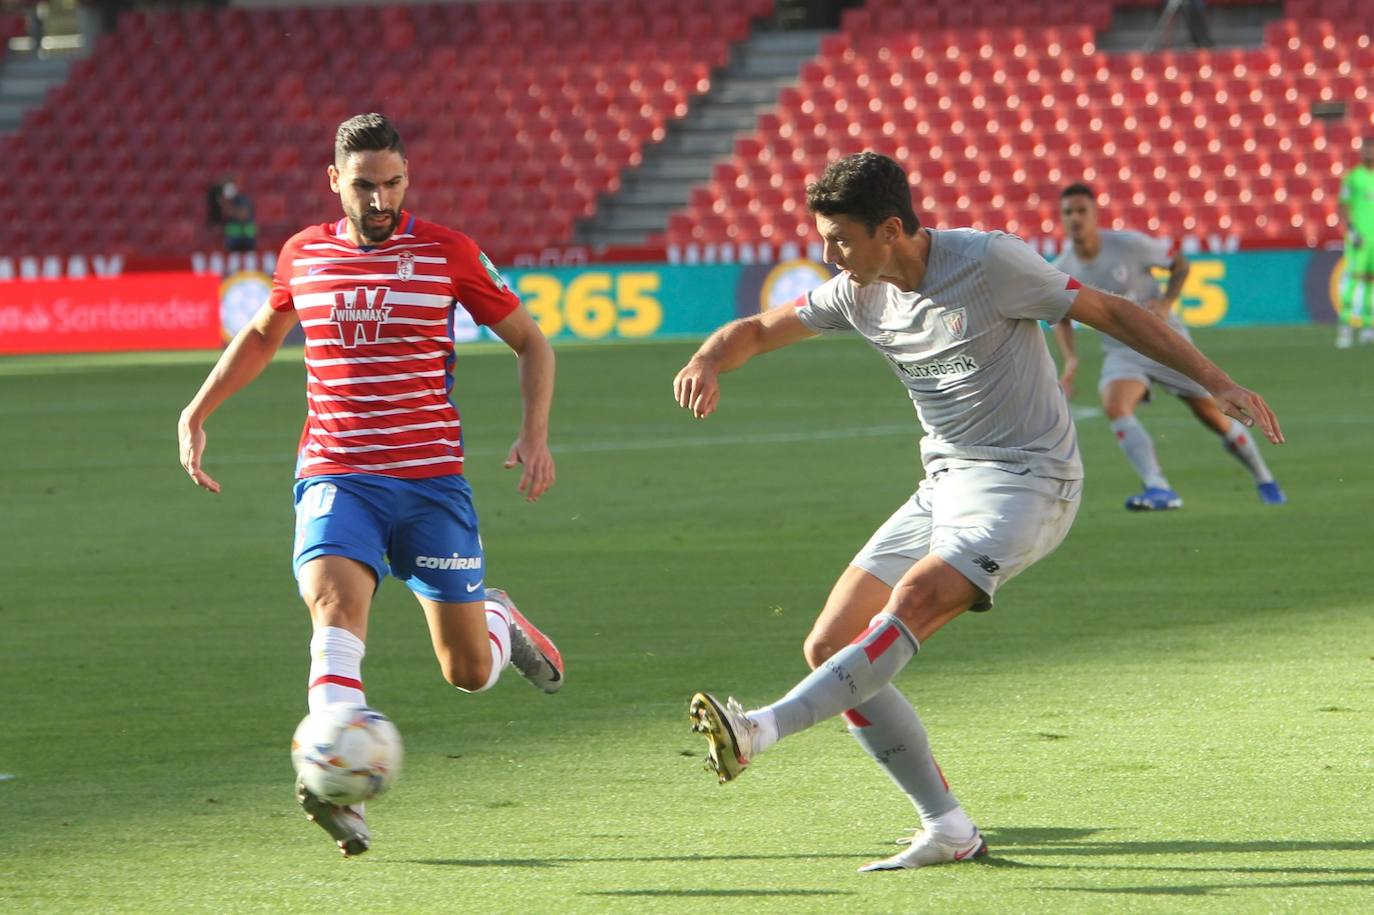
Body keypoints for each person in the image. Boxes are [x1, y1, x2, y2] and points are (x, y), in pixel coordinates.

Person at [673, 152, 1282, 873]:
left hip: (1032, 479)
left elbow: (1111, 311)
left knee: (914, 600)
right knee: (829, 645)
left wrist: (1215, 382)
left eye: (839, 238)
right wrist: (708, 360)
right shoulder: (857, 291)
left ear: (891, 229)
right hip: (945, 482)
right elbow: (760, 328)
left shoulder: (990, 263)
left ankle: (760, 730)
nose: (826, 254)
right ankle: (949, 828)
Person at [177, 113, 562, 858]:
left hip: (430, 484)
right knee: (333, 607)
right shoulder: (302, 256)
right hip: (337, 473)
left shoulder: (449, 253)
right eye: (364, 185)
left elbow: (530, 341)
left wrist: (534, 433)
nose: (379, 199)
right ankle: (335, 788)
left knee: (468, 671)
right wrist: (199, 408)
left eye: (391, 183)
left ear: (406, 179)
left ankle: (499, 620)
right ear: (334, 182)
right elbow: (262, 335)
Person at [1052, 183, 1285, 509]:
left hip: (1165, 341)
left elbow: (1180, 263)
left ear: (1094, 214)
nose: (1075, 218)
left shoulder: (1129, 245)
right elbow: (1060, 316)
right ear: (1061, 219)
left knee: (1212, 415)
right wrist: (1071, 362)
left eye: (1081, 211)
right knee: (1115, 404)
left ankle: (1264, 477)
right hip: (1122, 352)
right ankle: (1158, 487)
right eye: (1068, 213)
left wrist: (1165, 302)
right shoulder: (1063, 267)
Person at [1337, 140, 1374, 348]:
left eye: (1371, 149)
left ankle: (1369, 327)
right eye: (1365, 149)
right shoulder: (1353, 178)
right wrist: (1352, 231)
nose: (1368, 153)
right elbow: (1343, 206)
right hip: (1359, 239)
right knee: (1353, 280)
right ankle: (1345, 327)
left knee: (1371, 283)